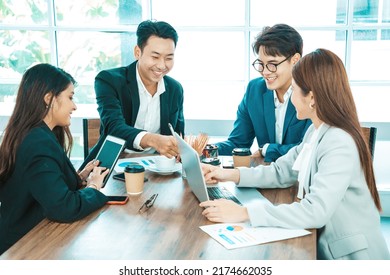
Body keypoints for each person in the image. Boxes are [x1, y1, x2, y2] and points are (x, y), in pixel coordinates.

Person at [200, 49, 390, 260]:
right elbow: (282, 171)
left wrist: (245, 213)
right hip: (328, 244)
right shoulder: (316, 130)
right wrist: (228, 174)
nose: (290, 99)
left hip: (354, 258)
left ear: (312, 97)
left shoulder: (339, 142)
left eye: (295, 90)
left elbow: (315, 211)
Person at [0, 63, 109, 255]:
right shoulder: (38, 142)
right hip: (24, 248)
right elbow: (63, 208)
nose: (74, 106)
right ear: (49, 98)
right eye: (70, 97)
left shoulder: (33, 134)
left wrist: (79, 177)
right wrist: (93, 187)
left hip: (29, 237)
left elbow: (41, 186)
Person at [84, 20, 184, 167]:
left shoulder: (175, 89)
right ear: (138, 52)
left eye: (169, 58)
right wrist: (153, 140)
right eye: (155, 57)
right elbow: (114, 128)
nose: (162, 65)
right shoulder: (109, 80)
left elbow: (177, 135)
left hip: (159, 169)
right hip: (112, 166)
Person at [214, 24, 311, 162]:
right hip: (265, 178)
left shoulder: (311, 92)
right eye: (261, 64)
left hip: (300, 179)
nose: (265, 72)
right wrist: (205, 148)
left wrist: (267, 149)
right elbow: (238, 143)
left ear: (295, 60)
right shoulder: (254, 90)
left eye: (272, 64)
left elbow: (307, 150)